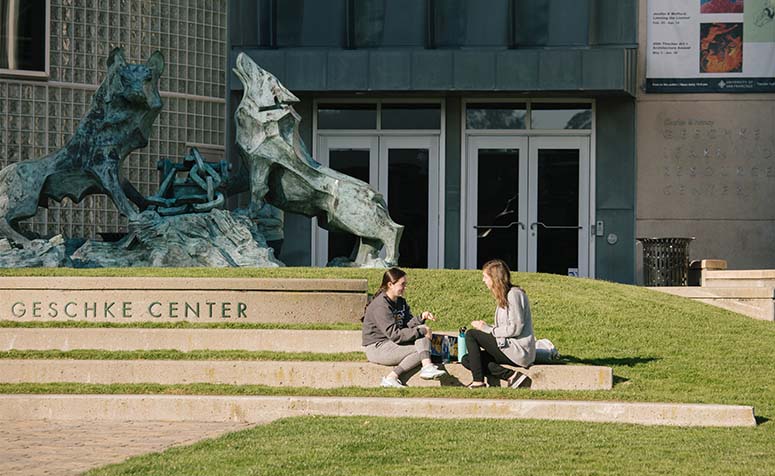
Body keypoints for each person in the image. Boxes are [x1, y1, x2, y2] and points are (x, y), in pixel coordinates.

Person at [362, 267, 447, 387]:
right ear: (390, 284)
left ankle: (395, 376)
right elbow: (396, 335)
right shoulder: (380, 306)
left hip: (391, 343)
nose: (405, 287)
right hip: (377, 347)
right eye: (402, 284)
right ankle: (424, 367)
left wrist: (421, 318)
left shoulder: (400, 302)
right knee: (423, 350)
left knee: (423, 342)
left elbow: (406, 325)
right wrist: (421, 331)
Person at [462, 259, 536, 388]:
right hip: (508, 346)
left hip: (518, 350)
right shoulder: (504, 296)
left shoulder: (514, 294)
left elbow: (516, 328)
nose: (483, 280)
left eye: (485, 277)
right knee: (468, 360)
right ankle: (511, 376)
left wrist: (487, 329)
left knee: (471, 335)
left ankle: (478, 382)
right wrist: (489, 328)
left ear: (495, 278)